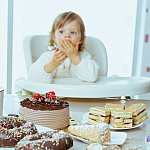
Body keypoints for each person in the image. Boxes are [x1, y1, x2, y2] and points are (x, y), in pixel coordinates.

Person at [28, 11, 100, 83]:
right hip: (54, 93)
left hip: (77, 93)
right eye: (61, 31)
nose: (67, 36)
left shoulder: (84, 57)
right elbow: (33, 78)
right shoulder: (48, 57)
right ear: (54, 36)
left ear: (81, 39)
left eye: (73, 32)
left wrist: (75, 57)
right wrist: (53, 64)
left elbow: (92, 77)